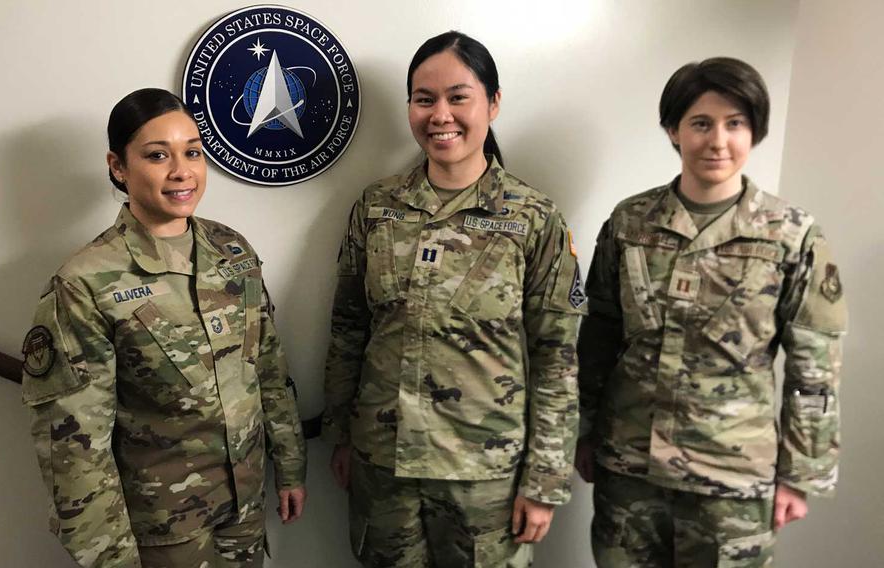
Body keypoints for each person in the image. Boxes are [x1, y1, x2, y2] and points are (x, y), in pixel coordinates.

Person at [321, 31, 583, 568]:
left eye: (458, 96)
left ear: (493, 102)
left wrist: (544, 478)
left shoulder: (533, 218)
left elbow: (558, 355)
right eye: (425, 99)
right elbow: (349, 328)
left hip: (484, 478)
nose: (441, 114)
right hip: (384, 467)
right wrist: (342, 435)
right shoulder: (375, 207)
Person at [575, 57, 847, 567]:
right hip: (630, 469)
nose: (717, 141)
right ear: (674, 130)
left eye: (735, 124)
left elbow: (815, 365)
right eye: (701, 123)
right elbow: (600, 335)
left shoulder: (791, 234)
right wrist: (584, 431)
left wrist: (799, 474)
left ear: (755, 131)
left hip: (734, 480)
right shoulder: (630, 222)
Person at [20, 88, 307, 568]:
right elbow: (74, 446)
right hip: (160, 529)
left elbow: (269, 372)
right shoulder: (85, 283)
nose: (182, 171)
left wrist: (292, 466)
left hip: (245, 506)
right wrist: (110, 557)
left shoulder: (231, 250)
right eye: (157, 156)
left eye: (192, 152)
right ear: (118, 166)